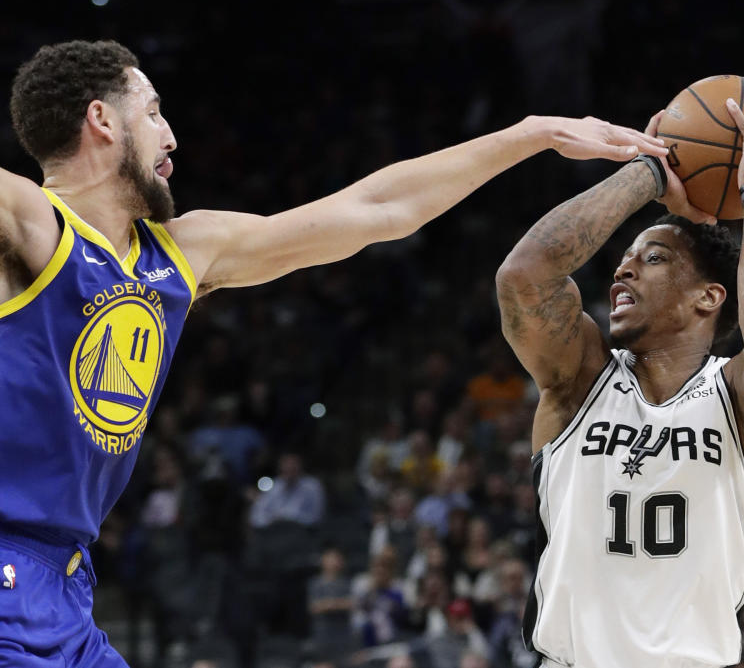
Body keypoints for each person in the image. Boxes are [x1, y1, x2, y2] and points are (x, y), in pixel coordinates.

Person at [0, 39, 667, 667]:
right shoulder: (33, 224)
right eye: (151, 112)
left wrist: (534, 134)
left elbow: (380, 208)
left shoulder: (182, 250)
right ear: (101, 120)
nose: (170, 134)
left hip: (64, 586)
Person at [495, 91, 744, 667]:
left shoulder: (738, 400)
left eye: (654, 258)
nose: (622, 268)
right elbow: (524, 277)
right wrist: (649, 171)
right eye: (626, 258)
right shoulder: (578, 382)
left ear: (709, 297)